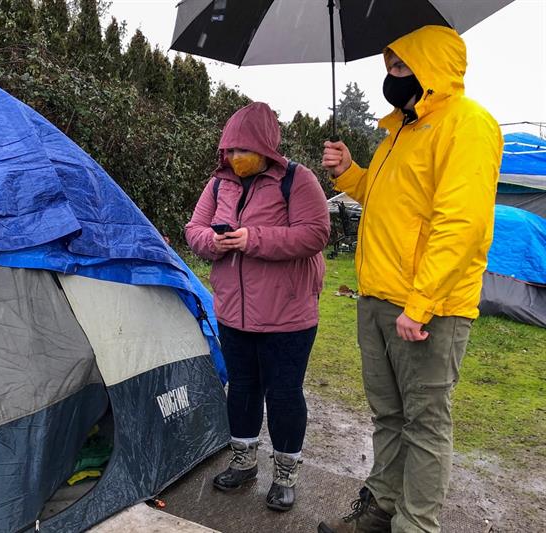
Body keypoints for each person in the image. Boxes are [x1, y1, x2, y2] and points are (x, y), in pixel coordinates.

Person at [318, 26, 503, 533]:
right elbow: (386, 204)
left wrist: (420, 304)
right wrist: (349, 172)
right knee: (389, 418)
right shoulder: (401, 130)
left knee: (425, 425)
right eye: (389, 67)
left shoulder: (467, 125)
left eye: (400, 67)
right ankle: (381, 510)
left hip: (427, 310)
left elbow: (460, 224)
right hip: (377, 297)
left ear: (430, 68)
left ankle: (415, 525)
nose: (390, 77)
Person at [185, 101, 329, 512]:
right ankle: (245, 460)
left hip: (288, 315)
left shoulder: (297, 181)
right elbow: (194, 228)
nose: (233, 157)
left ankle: (285, 472)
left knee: (284, 394)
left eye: (241, 149)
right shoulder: (219, 184)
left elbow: (315, 234)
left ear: (264, 147)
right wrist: (215, 242)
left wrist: (254, 239)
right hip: (233, 311)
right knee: (243, 389)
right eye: (228, 150)